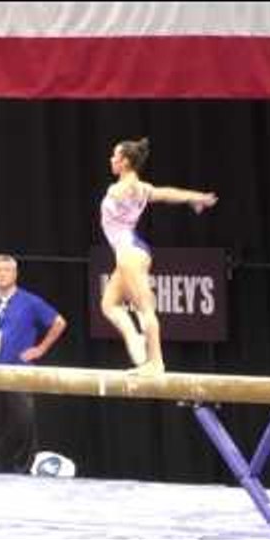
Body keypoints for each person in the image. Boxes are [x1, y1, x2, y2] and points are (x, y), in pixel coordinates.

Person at [99, 137, 218, 374]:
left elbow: (137, 190)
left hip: (130, 253)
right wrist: (196, 197)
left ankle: (156, 362)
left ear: (124, 162)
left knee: (145, 308)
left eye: (115, 156)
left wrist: (127, 188)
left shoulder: (125, 187)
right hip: (129, 251)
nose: (111, 159)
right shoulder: (143, 188)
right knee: (108, 304)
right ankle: (134, 338)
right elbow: (167, 194)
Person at [0, 254, 67, 473]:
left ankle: (22, 468)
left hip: (19, 371)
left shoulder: (30, 301)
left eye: (6, 270)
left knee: (23, 422)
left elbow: (59, 322)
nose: (1, 274)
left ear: (15, 274)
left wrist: (40, 349)